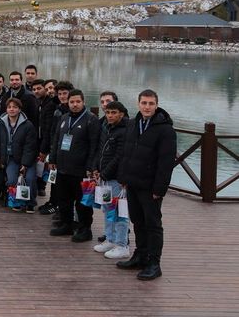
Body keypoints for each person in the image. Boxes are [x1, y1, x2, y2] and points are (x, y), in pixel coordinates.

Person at [116, 90, 177, 281]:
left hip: (150, 186)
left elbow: (166, 162)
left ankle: (153, 263)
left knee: (153, 224)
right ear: (138, 104)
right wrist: (123, 178)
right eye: (144, 103)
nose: (147, 107)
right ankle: (140, 255)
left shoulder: (165, 129)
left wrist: (160, 189)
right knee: (137, 221)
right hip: (133, 182)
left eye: (151, 103)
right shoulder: (134, 124)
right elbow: (126, 153)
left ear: (156, 105)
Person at [49, 89, 100, 242]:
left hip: (80, 169)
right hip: (63, 167)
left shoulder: (91, 120)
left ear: (83, 102)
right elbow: (57, 140)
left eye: (78, 101)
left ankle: (85, 229)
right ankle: (67, 224)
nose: (75, 104)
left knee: (82, 202)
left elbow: (94, 146)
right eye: (72, 102)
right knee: (64, 199)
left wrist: (91, 167)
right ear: (68, 103)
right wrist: (52, 159)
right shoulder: (64, 118)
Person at [92, 101, 130, 260]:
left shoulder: (125, 131)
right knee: (107, 210)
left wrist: (105, 173)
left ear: (121, 114)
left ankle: (122, 245)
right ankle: (110, 239)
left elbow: (119, 156)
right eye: (108, 112)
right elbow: (101, 150)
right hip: (105, 177)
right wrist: (96, 168)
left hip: (116, 179)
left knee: (120, 213)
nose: (110, 115)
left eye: (114, 112)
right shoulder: (106, 128)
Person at [0, 98, 38, 213]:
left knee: (29, 179)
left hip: (27, 159)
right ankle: (17, 201)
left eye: (15, 107)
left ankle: (30, 203)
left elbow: (30, 146)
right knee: (11, 180)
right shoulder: (1, 123)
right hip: (11, 158)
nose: (12, 109)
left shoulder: (28, 125)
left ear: (19, 109)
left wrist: (25, 164)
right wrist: (1, 158)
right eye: (9, 107)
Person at [40, 80, 73, 216]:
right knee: (54, 178)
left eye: (65, 93)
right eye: (60, 94)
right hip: (56, 148)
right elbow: (51, 130)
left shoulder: (72, 110)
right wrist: (47, 149)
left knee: (64, 182)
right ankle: (53, 202)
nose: (62, 96)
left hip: (70, 153)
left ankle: (59, 206)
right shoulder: (57, 109)